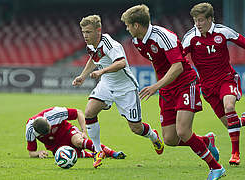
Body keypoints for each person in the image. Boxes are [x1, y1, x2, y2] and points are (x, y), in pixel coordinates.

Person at [121, 4, 225, 179]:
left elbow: (177, 67)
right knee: (170, 139)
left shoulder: (163, 36)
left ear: (136, 25)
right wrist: (161, 87)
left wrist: (156, 86)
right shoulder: (137, 42)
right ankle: (206, 141)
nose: (127, 28)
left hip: (186, 83)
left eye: (128, 25)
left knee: (183, 131)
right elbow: (157, 63)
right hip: (167, 90)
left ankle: (216, 168)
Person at [72, 15, 164, 169]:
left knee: (136, 128)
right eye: (83, 32)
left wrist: (102, 72)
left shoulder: (109, 44)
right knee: (89, 112)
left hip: (125, 89)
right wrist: (83, 76)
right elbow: (94, 58)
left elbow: (121, 63)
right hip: (107, 86)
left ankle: (153, 136)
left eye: (88, 32)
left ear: (98, 30)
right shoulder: (91, 45)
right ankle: (98, 151)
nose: (85, 36)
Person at [182, 2, 245, 166]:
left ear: (210, 19)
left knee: (229, 107)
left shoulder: (222, 31)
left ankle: (235, 153)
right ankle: (244, 120)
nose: (198, 24)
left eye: (201, 20)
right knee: (230, 122)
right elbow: (178, 59)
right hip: (207, 87)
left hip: (226, 78)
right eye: (195, 21)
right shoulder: (190, 37)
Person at [25, 107, 125, 160]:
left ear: (47, 120)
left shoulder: (54, 113)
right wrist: (39, 153)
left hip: (67, 131)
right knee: (72, 155)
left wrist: (84, 131)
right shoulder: (30, 131)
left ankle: (113, 153)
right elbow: (31, 152)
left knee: (78, 141)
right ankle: (96, 154)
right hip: (55, 146)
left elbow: (78, 113)